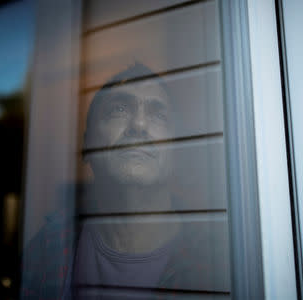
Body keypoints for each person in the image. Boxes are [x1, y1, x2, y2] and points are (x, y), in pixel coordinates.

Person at [21, 63, 221, 300]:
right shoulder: (47, 247)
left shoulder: (215, 261)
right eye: (118, 110)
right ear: (87, 145)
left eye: (158, 115)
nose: (139, 125)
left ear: (177, 150)